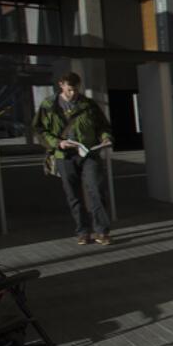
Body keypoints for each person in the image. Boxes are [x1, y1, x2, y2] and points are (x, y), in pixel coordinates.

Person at [33, 71, 114, 245]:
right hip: (65, 155)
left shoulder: (89, 105)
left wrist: (105, 137)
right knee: (73, 194)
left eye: (76, 90)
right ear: (61, 85)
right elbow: (40, 131)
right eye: (70, 90)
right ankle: (83, 231)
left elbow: (103, 126)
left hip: (89, 153)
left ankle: (102, 231)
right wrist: (58, 143)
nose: (73, 94)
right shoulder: (49, 105)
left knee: (96, 189)